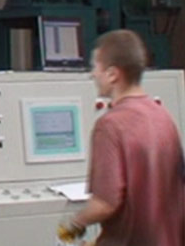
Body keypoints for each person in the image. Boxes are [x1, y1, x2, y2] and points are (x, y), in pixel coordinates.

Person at [57, 29, 184, 246]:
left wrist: (74, 224)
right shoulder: (162, 116)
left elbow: (105, 203)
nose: (92, 74)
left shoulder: (110, 125)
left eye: (95, 67)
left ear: (113, 74)